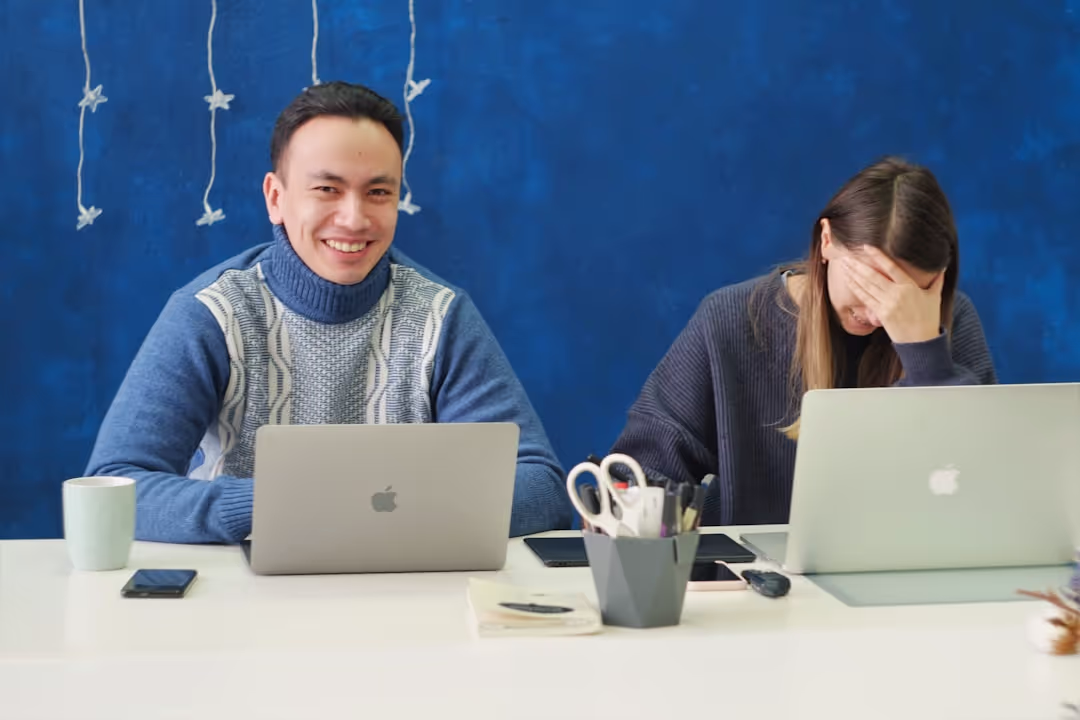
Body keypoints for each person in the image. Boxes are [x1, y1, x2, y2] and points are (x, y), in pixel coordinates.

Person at [85, 81, 572, 542]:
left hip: (405, 591)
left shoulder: (441, 316)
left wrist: (383, 509)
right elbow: (116, 486)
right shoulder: (212, 312)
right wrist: (277, 506)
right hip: (243, 596)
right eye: (327, 189)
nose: (354, 218)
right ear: (276, 198)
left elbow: (541, 486)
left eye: (378, 193)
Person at [609, 156, 997, 526]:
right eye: (870, 284)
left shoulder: (950, 321)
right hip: (757, 587)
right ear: (826, 241)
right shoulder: (729, 319)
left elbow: (985, 494)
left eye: (910, 294)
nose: (881, 316)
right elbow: (634, 479)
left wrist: (925, 354)